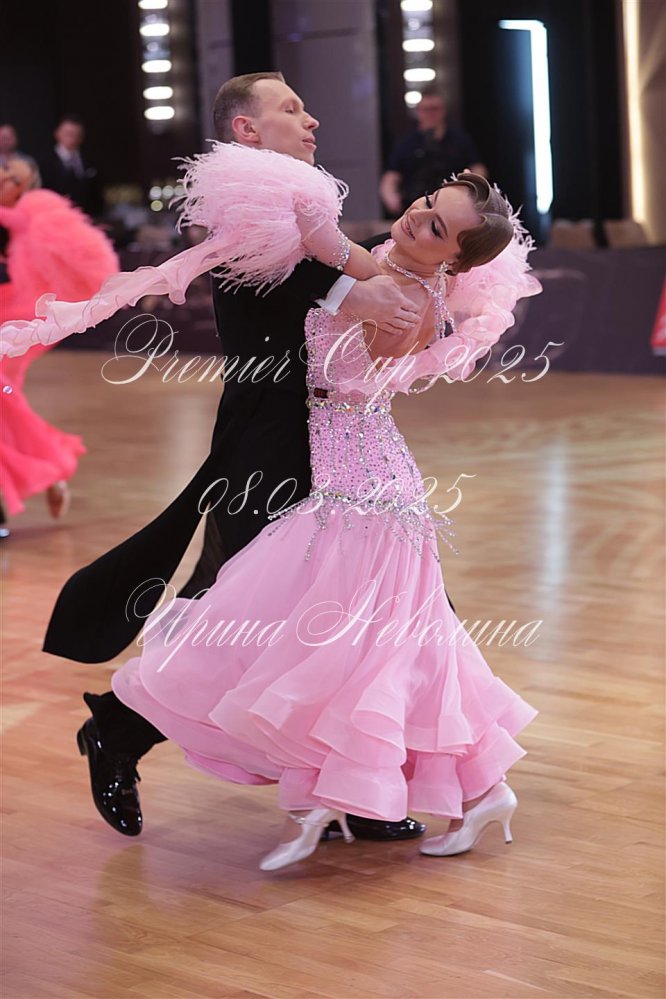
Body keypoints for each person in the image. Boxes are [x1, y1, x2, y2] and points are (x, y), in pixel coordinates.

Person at [1, 140, 541, 871]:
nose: (418, 219)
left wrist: (319, 228)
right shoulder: (371, 261)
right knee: (320, 627)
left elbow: (340, 283)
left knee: (323, 629)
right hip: (306, 458)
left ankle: (359, 791)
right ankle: (381, 788)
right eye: (425, 205)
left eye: (438, 226)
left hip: (353, 480)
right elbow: (316, 277)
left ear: (453, 259)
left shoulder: (395, 286)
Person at [0, 156, 118, 522]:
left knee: (5, 399)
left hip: (21, 317)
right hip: (6, 309)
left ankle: (48, 469)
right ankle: (49, 473)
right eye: (6, 175)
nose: (7, 182)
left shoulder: (33, 207)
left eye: (16, 179)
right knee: (7, 403)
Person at [380, 85, 488, 217]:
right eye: (426, 109)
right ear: (418, 112)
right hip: (415, 207)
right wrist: (391, 197)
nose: (431, 114)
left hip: (453, 206)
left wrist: (472, 191)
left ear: (444, 110)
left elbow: (478, 168)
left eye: (435, 109)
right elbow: (391, 177)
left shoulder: (460, 140)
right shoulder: (405, 144)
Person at [40, 114, 103, 219]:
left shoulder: (90, 160)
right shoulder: (44, 162)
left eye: (77, 134)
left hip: (87, 217)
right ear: (57, 134)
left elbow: (96, 194)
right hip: (56, 217)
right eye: (68, 134)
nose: (72, 138)